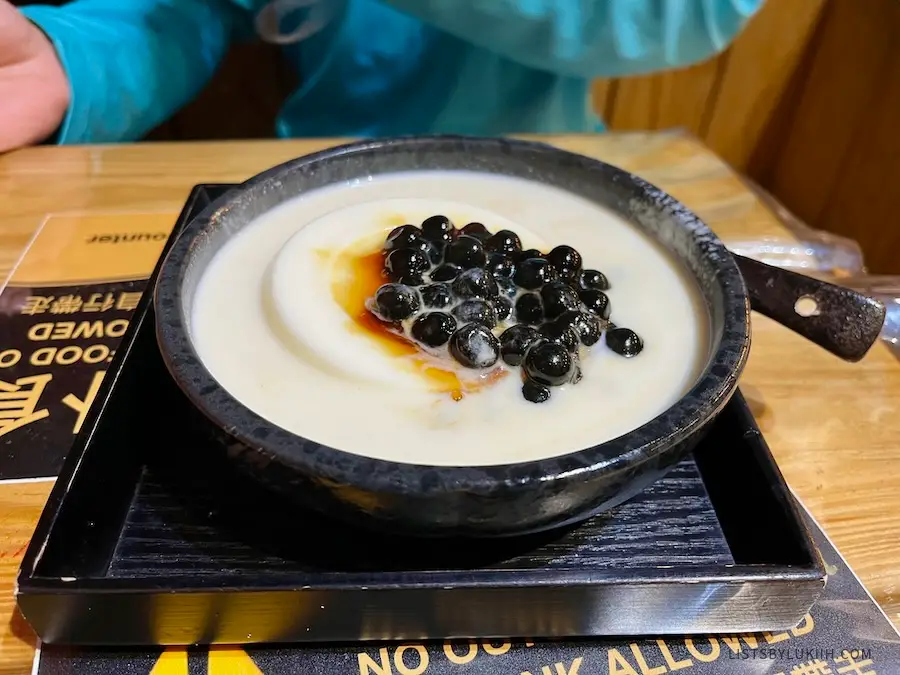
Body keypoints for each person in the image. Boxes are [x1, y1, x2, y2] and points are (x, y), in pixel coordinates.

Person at [0, 0, 763, 152]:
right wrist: (67, 58)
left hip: (549, 158)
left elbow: (690, 11)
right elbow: (179, 13)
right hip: (318, 171)